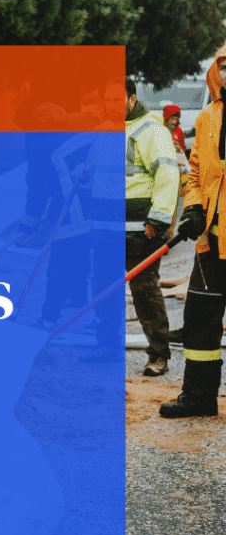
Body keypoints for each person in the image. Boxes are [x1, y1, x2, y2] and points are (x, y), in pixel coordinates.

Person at [84, 78, 178, 375]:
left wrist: (159, 219)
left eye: (116, 100)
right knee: (103, 288)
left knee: (145, 291)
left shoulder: (153, 132)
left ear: (132, 99)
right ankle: (107, 346)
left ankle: (159, 354)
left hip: (141, 228)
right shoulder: (101, 132)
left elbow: (167, 175)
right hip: (104, 227)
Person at [161, 47, 226, 417]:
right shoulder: (206, 119)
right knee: (200, 324)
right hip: (210, 244)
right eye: (223, 66)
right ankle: (199, 397)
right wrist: (193, 208)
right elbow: (197, 175)